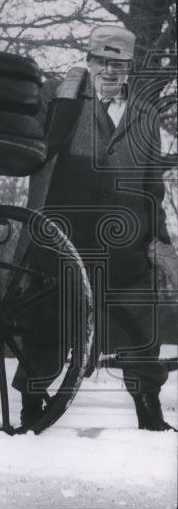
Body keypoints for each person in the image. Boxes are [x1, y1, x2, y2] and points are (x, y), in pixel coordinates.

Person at [14, 24, 175, 431]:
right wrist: (63, 98)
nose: (110, 72)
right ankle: (32, 404)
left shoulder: (144, 115)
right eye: (102, 62)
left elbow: (152, 190)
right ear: (88, 62)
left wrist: (160, 245)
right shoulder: (64, 104)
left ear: (129, 68)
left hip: (127, 247)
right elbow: (39, 152)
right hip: (66, 241)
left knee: (141, 327)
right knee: (47, 326)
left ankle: (149, 412)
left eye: (119, 64)